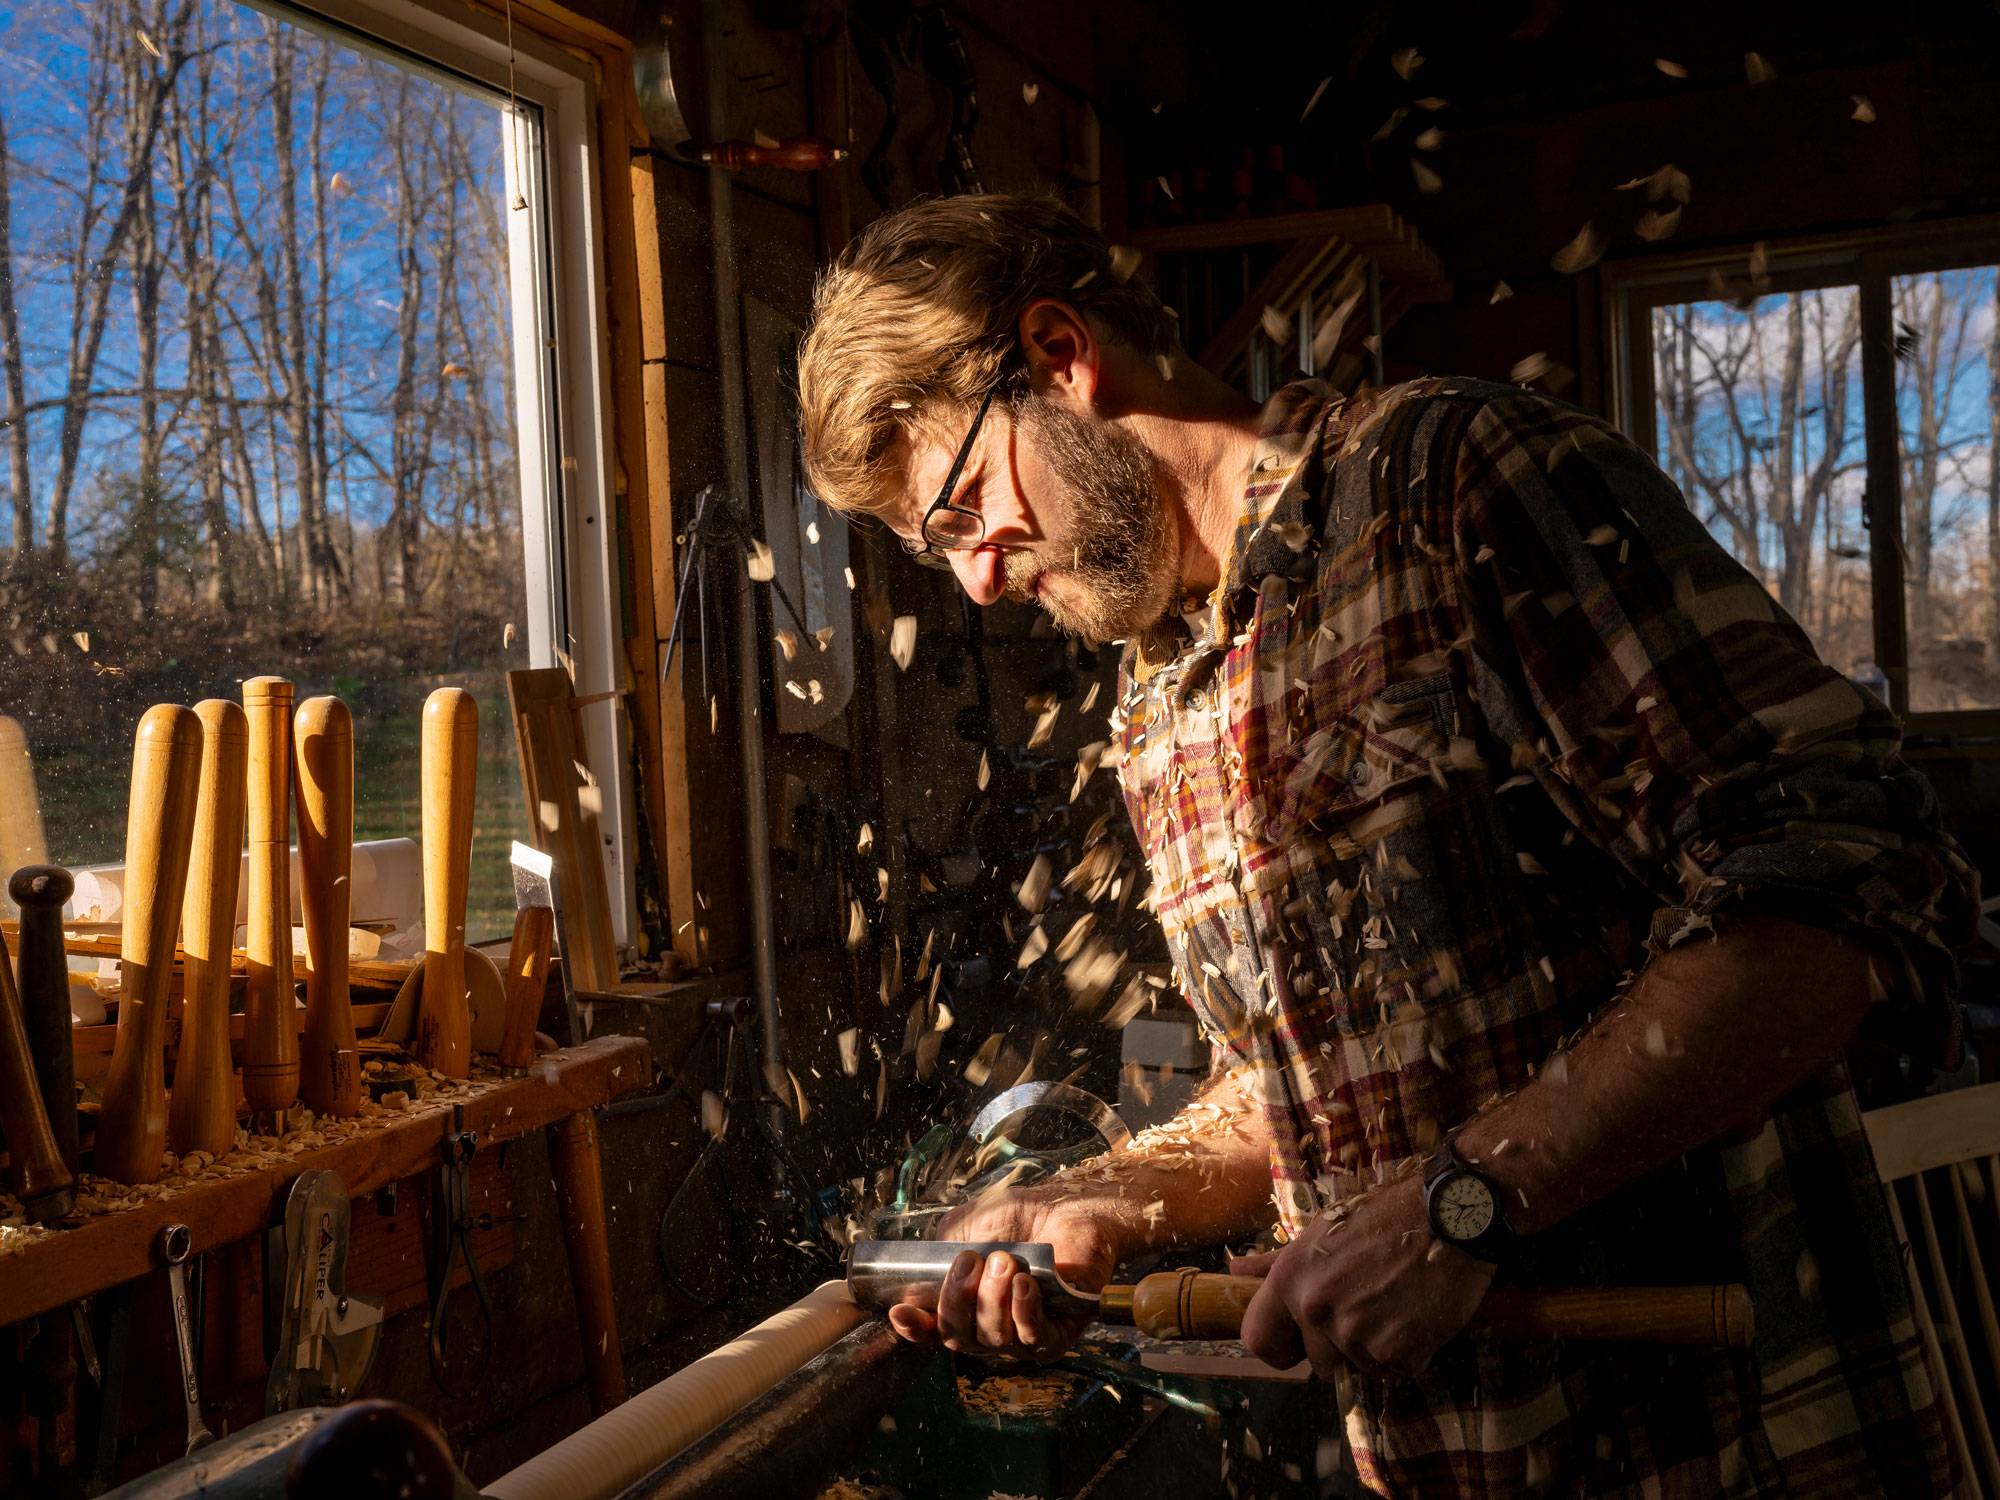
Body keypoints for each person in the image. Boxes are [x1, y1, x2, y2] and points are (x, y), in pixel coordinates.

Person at [796, 193, 1978, 1497]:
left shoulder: (1451, 479)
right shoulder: (1163, 700)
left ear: (1062, 357)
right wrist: (1102, 1199)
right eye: (938, 551)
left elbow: (1835, 900)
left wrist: (1461, 1206)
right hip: (1451, 1458)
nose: (976, 578)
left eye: (965, 507)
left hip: (1729, 1438)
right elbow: (1284, 1089)